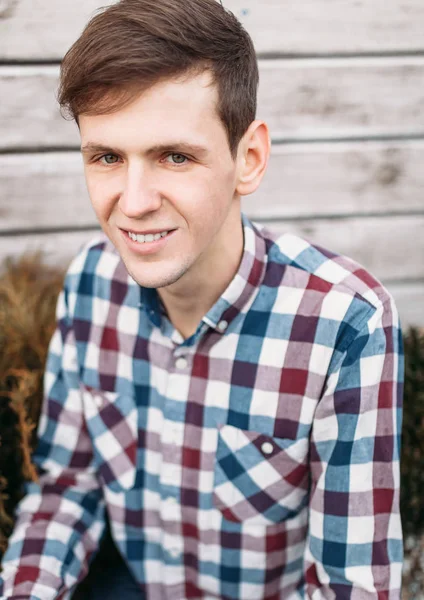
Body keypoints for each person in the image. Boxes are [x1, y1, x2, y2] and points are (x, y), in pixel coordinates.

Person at [0, 0, 404, 598]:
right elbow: (68, 487)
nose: (133, 202)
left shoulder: (344, 323)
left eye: (175, 156)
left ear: (250, 159)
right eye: (108, 157)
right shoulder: (90, 284)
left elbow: (352, 586)